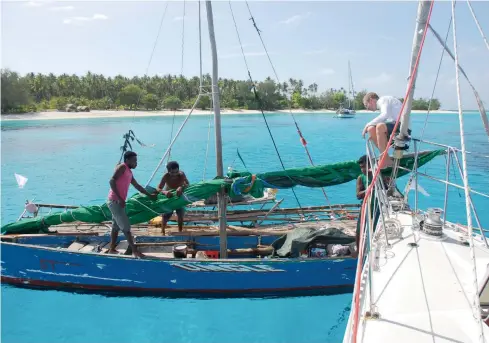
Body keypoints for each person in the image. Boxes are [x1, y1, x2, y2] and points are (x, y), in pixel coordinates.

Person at [107, 151, 156, 258]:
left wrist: (149, 195)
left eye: (136, 161)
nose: (136, 163)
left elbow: (137, 186)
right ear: (127, 160)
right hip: (115, 201)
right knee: (126, 228)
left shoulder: (129, 172)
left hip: (117, 202)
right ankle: (135, 251)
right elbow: (112, 181)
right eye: (134, 161)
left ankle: (111, 249)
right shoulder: (122, 167)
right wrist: (120, 198)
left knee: (115, 227)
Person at [361, 92, 403, 168]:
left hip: (401, 127)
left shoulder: (383, 100)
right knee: (371, 129)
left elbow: (385, 115)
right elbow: (386, 118)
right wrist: (373, 132)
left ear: (371, 100)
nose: (367, 108)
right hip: (394, 126)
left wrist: (367, 124)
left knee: (379, 126)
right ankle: (385, 158)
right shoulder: (383, 104)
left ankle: (384, 160)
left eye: (366, 105)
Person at [355, 155, 382, 252]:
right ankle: (358, 251)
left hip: (377, 206)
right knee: (360, 229)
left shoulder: (378, 175)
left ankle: (375, 249)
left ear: (370, 164)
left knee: (376, 229)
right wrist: (369, 188)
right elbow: (358, 195)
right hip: (366, 206)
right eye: (361, 167)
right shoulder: (361, 177)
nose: (362, 169)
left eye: (364, 167)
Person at [156, 161, 190, 234]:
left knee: (180, 215)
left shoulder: (181, 174)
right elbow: (158, 188)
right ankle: (163, 231)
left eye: (176, 172)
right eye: (172, 173)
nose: (174, 174)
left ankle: (180, 231)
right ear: (168, 172)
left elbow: (187, 184)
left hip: (179, 196)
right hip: (169, 197)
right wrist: (165, 192)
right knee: (166, 215)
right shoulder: (165, 176)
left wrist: (181, 187)